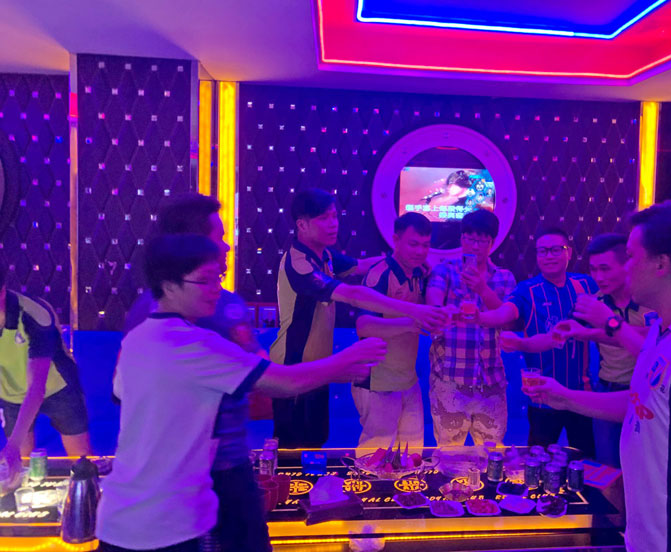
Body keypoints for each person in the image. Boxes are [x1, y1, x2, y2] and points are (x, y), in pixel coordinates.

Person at [97, 234, 386, 552]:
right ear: (169, 286)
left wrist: (337, 371)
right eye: (204, 280)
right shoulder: (196, 345)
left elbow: (139, 398)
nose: (216, 289)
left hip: (121, 514)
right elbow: (285, 383)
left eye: (217, 278)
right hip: (162, 522)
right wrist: (349, 357)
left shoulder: (138, 338)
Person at [526, 201, 671, 552]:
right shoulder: (665, 331)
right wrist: (564, 397)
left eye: (632, 257)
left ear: (661, 263)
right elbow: (644, 404)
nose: (626, 267)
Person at [123, 192, 268, 552]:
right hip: (216, 467)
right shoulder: (214, 306)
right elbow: (264, 382)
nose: (227, 247)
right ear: (194, 244)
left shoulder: (143, 310)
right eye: (220, 238)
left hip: (180, 468)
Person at [270, 189, 447, 448]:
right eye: (324, 218)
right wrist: (414, 312)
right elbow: (353, 295)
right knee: (292, 448)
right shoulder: (299, 264)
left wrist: (411, 260)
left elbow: (362, 265)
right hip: (292, 366)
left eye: (334, 216)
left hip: (319, 366)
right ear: (302, 225)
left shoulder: (325, 255)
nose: (333, 224)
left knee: (315, 442)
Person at [477, 227, 596, 455]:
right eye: (542, 251)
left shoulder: (586, 284)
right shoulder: (527, 290)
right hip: (542, 396)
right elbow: (505, 313)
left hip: (581, 394)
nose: (548, 256)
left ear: (569, 252)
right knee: (538, 462)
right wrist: (479, 317)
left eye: (555, 250)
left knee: (585, 461)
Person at [556, 233, 655, 468]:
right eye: (593, 270)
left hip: (646, 393)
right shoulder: (596, 301)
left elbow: (654, 338)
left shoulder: (649, 299)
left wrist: (603, 326)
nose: (599, 277)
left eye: (605, 269)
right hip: (606, 389)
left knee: (644, 467)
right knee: (608, 468)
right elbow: (564, 332)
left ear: (627, 265)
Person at [425, 209, 516, 446]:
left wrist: (482, 289)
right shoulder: (444, 270)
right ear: (461, 238)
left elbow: (508, 320)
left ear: (492, 242)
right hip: (450, 380)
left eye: (481, 240)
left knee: (492, 453)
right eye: (469, 239)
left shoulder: (505, 277)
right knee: (448, 452)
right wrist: (443, 312)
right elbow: (433, 304)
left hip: (491, 381)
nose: (474, 246)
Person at [0, 261, 91, 478]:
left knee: (82, 464)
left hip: (58, 387)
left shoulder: (34, 314)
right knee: (19, 469)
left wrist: (12, 444)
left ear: (2, 291)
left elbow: (36, 387)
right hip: (10, 393)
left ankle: (87, 495)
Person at [353, 213, 432, 452]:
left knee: (412, 453)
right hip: (377, 380)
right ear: (396, 240)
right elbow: (364, 326)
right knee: (375, 457)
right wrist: (410, 323)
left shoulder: (420, 273)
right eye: (413, 244)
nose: (420, 251)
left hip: (408, 380)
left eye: (425, 245)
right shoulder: (380, 274)